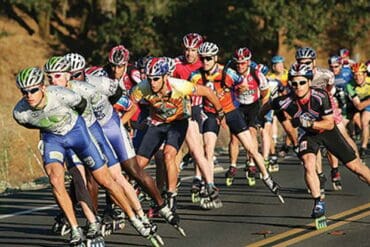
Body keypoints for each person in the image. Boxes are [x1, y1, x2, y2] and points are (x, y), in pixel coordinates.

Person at [12, 67, 152, 246]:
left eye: (33, 90)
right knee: (56, 180)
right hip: (53, 138)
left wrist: (87, 132)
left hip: (77, 133)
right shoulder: (20, 113)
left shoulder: (63, 95)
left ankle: (134, 218)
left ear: (42, 87)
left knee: (104, 180)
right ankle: (76, 229)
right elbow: (31, 124)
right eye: (24, 92)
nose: (29, 95)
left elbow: (84, 108)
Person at [262, 63, 370, 228]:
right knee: (308, 164)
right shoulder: (285, 100)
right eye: (294, 83)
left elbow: (328, 124)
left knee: (356, 168)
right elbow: (269, 105)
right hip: (308, 136)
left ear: (309, 82)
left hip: (328, 132)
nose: (298, 87)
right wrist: (257, 120)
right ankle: (318, 202)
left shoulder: (320, 95)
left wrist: (308, 123)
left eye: (302, 82)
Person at [190, 42, 284, 203]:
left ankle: (267, 177)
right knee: (208, 150)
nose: (205, 62)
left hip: (230, 111)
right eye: (202, 58)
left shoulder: (227, 72)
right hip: (211, 114)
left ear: (215, 58)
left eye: (208, 59)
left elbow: (243, 83)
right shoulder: (196, 75)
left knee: (251, 148)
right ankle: (209, 186)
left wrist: (238, 88)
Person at [130, 57, 225, 212]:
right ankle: (138, 198)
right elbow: (129, 103)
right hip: (157, 123)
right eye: (149, 79)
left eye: (156, 79)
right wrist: (128, 122)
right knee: (138, 165)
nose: (152, 83)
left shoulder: (178, 85)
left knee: (169, 155)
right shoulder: (142, 87)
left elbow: (207, 92)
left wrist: (220, 112)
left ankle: (171, 195)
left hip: (178, 123)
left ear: (165, 77)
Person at [225, 47, 271, 186]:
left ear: (249, 62)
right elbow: (224, 89)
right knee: (234, 137)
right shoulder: (230, 72)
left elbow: (265, 94)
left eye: (243, 63)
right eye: (237, 63)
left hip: (253, 105)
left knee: (251, 133)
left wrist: (262, 112)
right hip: (237, 105)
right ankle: (232, 166)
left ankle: (251, 162)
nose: (240, 66)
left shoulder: (257, 74)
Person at [345, 63, 370, 158]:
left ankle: (363, 147)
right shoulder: (350, 86)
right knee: (356, 119)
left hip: (367, 103)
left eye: (360, 74)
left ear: (365, 74)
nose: (357, 77)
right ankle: (363, 146)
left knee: (364, 120)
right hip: (360, 103)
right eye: (355, 75)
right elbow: (359, 106)